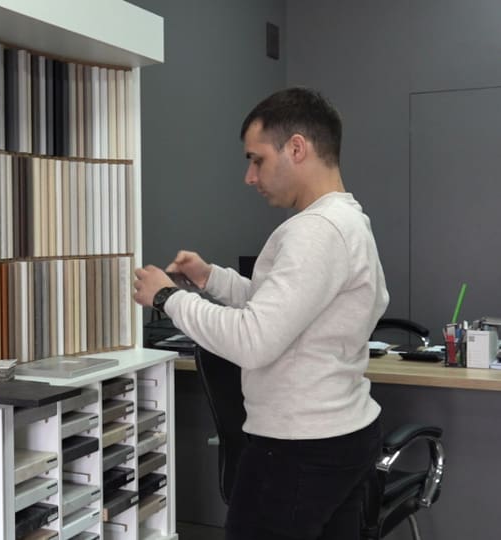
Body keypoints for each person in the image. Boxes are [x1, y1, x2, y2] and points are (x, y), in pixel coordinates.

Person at [133, 87, 389, 539]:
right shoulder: (346, 221)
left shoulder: (317, 231)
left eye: (257, 159)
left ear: (297, 148)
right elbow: (284, 307)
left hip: (298, 450)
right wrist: (211, 278)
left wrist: (167, 298)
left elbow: (255, 340)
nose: (250, 177)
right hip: (340, 437)